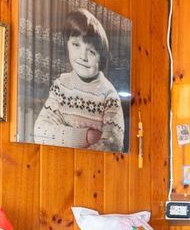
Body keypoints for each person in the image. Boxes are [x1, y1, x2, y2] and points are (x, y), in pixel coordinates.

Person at [33, 8, 124, 151]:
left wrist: (68, 145)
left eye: (91, 52)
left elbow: (112, 145)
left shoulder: (109, 96)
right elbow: (41, 131)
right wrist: (87, 136)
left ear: (101, 59)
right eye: (76, 45)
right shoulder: (61, 85)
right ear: (67, 44)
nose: (83, 56)